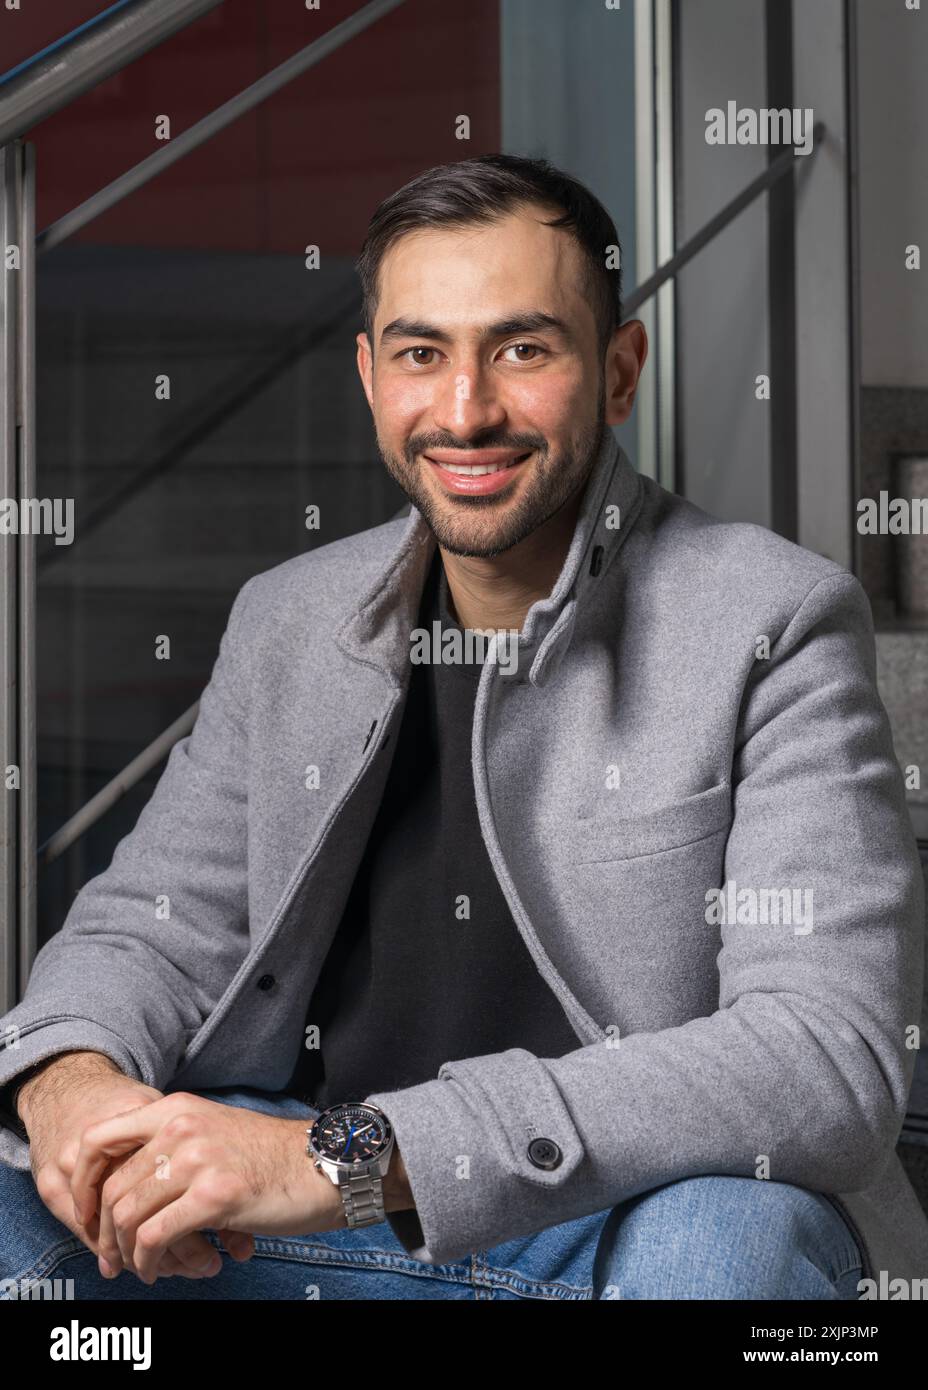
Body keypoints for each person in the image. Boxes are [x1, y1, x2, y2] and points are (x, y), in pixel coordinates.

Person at [0, 154, 925, 1301]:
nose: (464, 409)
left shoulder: (772, 619)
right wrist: (76, 1088)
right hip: (316, 1221)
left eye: (524, 348)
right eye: (420, 352)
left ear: (620, 370)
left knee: (726, 1241)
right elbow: (151, 930)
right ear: (369, 372)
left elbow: (823, 1063)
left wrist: (348, 1159)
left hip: (619, 1221)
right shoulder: (289, 619)